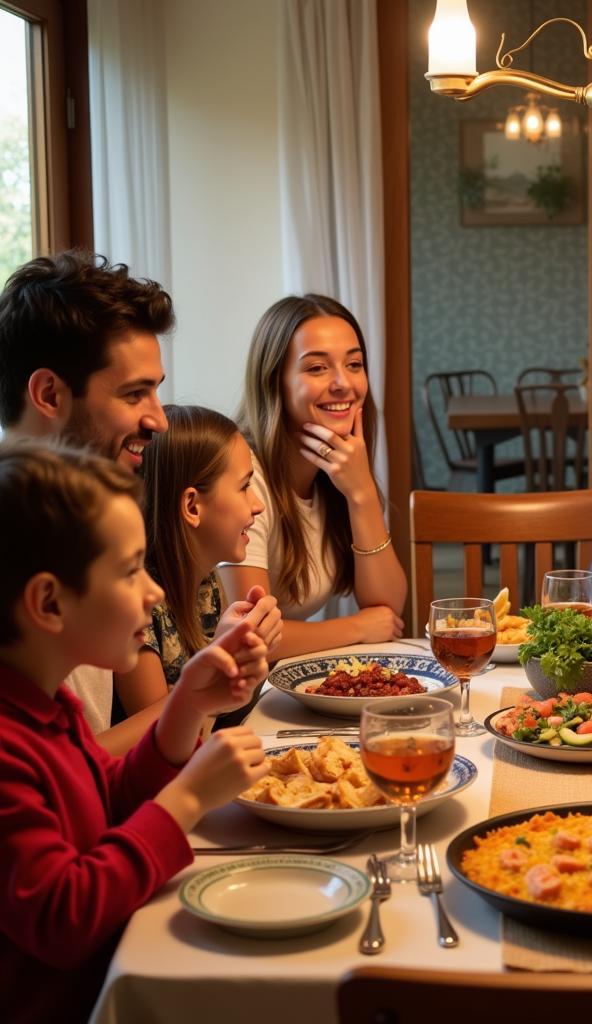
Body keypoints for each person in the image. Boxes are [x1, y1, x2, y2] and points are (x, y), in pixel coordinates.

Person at [0, 441, 270, 1023]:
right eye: (129, 572)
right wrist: (190, 795)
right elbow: (63, 917)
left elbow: (108, 803)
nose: (152, 592)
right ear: (48, 602)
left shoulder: (51, 709)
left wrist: (183, 714)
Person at [0, 250, 173, 737]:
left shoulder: (84, 516)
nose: (159, 419)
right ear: (50, 395)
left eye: (156, 391)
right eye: (134, 393)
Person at [219, 294, 407, 658]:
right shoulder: (244, 477)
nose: (343, 383)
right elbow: (252, 634)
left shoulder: (336, 475)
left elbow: (387, 607)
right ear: (275, 380)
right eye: (317, 368)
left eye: (354, 364)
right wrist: (356, 627)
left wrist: (362, 493)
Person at [113, 405, 283, 727]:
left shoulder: (206, 583)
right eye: (245, 487)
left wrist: (246, 657)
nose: (258, 505)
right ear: (192, 505)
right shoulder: (139, 605)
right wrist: (220, 661)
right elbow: (159, 745)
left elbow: (217, 718)